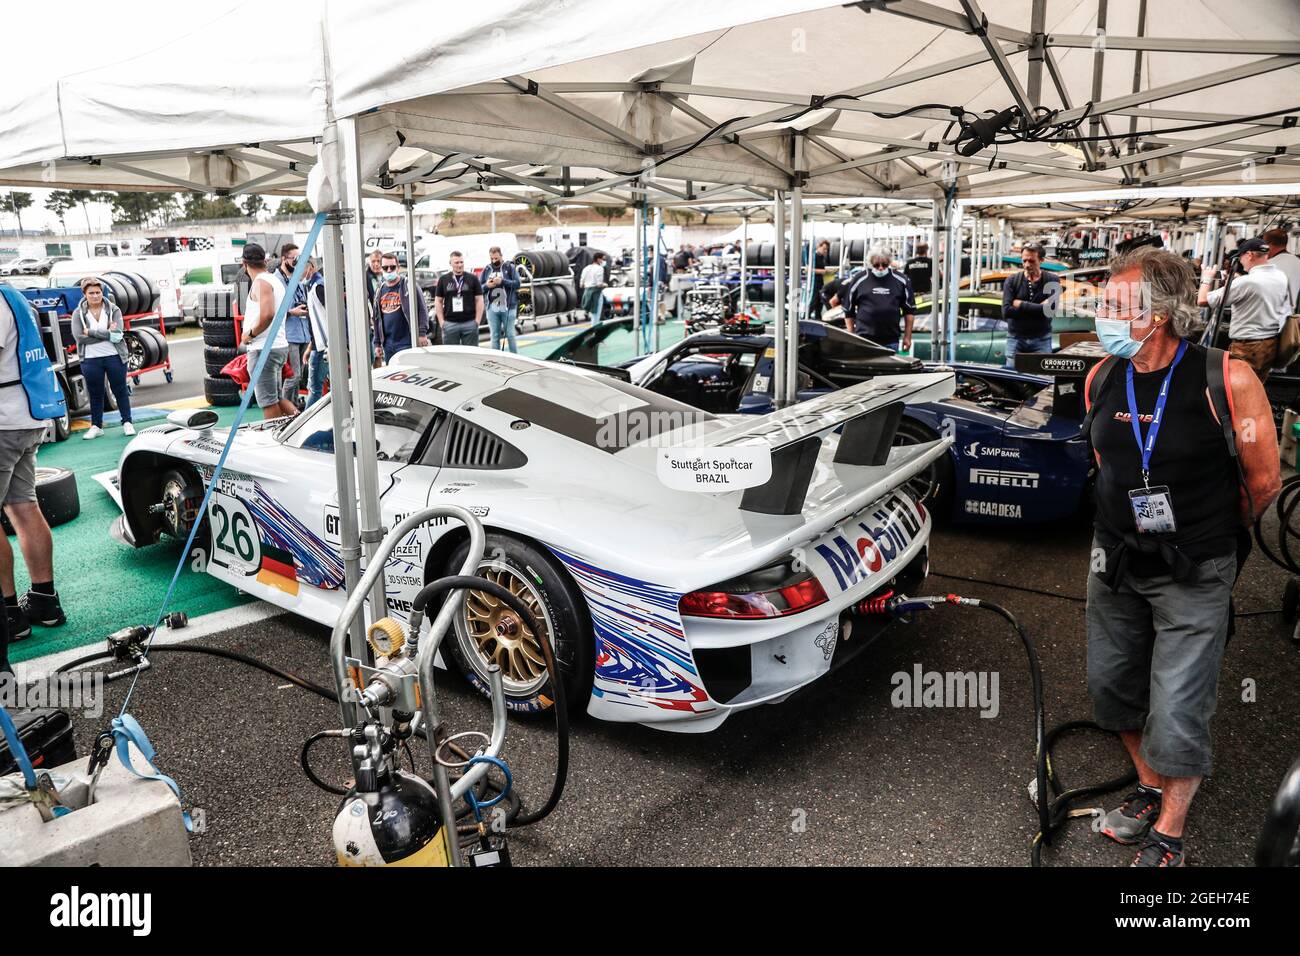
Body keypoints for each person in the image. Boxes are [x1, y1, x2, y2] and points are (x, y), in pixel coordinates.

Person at [1082, 246, 1281, 867]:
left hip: (1195, 566)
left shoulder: (1228, 378)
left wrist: (1212, 538)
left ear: (1160, 314)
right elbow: (1105, 462)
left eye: (1118, 305)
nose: (1102, 313)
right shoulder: (1101, 377)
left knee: (1179, 702)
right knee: (1113, 686)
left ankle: (1170, 830)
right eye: (1104, 301)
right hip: (1115, 559)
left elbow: (1264, 483)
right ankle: (1149, 782)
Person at [0, 288, 66, 669]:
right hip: (27, 414)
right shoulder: (12, 294)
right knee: (23, 506)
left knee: (19, 508)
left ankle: (8, 613)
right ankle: (44, 601)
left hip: (4, 420)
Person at [1197, 237, 1291, 382]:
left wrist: (1206, 278)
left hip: (1248, 347)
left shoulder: (1246, 282)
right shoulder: (1280, 276)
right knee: (1256, 388)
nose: (1240, 261)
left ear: (1249, 255)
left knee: (1236, 391)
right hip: (1270, 343)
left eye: (1241, 257)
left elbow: (1202, 300)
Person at [239, 243, 298, 420]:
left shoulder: (261, 282)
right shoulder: (274, 280)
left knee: (268, 402)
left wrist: (249, 334)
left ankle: (274, 442)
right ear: (265, 260)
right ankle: (302, 428)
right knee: (276, 398)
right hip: (276, 346)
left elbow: (268, 314)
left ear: (244, 263)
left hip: (263, 349)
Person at [71, 277, 133, 440]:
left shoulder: (114, 310)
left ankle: (127, 422)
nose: (95, 296)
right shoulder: (78, 313)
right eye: (91, 293)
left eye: (98, 292)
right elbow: (79, 337)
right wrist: (107, 334)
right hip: (91, 359)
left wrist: (91, 332)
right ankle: (96, 426)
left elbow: (118, 334)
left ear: (102, 292)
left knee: (120, 390)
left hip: (114, 356)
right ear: (85, 294)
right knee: (95, 394)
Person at [841, 247, 914, 352]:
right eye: (876, 265)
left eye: (884, 265)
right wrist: (852, 336)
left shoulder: (901, 280)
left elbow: (909, 311)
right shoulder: (859, 279)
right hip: (864, 339)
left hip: (891, 340)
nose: (880, 268)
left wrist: (907, 337)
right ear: (870, 263)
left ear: (889, 262)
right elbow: (848, 310)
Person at [1001, 241, 1060, 366]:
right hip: (1016, 338)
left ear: (1041, 260)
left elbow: (1051, 310)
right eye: (1024, 261)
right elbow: (1006, 311)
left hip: (1041, 339)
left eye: (1031, 261)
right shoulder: (1012, 281)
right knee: (1012, 379)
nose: (1027, 264)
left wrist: (1020, 304)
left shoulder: (1052, 280)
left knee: (1043, 379)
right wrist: (1040, 307)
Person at [372, 251, 430, 364]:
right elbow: (376, 318)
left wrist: (422, 333)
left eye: (392, 267)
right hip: (388, 344)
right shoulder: (380, 289)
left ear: (398, 268)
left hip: (407, 342)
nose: (389, 270)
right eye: (385, 267)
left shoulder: (409, 285)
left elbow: (423, 309)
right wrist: (377, 343)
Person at [278, 245, 311, 407]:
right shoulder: (276, 281)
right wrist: (292, 312)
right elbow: (272, 312)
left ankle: (294, 404)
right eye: (295, 259)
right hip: (290, 335)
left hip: (303, 332)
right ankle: (285, 408)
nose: (298, 262)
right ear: (284, 259)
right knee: (293, 376)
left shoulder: (296, 279)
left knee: (300, 376)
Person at [433, 251, 483, 347]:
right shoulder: (443, 279)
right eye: (456, 262)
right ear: (450, 263)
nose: (460, 265)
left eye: (461, 262)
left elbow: (479, 300)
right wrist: (442, 322)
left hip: (470, 323)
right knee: (451, 356)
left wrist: (477, 321)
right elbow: (438, 301)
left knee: (471, 355)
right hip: (450, 324)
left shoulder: (473, 279)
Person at [481, 246, 520, 352]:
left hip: (508, 307)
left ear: (501, 256)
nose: (494, 261)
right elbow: (480, 288)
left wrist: (502, 282)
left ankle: (515, 358)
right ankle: (496, 359)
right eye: (492, 258)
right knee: (494, 336)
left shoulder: (509, 267)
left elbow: (517, 284)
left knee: (510, 335)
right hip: (492, 307)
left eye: (496, 259)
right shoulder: (487, 269)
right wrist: (487, 286)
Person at [305, 273, 331, 408]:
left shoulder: (317, 287)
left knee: (315, 389)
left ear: (310, 267)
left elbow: (334, 312)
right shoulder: (313, 286)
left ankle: (305, 425)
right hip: (322, 345)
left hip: (324, 346)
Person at [1261, 227, 1300, 310]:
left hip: (1273, 315)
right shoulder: (1298, 261)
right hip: (1295, 317)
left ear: (1269, 245)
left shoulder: (1268, 265)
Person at [580, 252, 607, 324]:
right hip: (596, 293)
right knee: (596, 315)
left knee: (593, 315)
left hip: (587, 293)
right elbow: (599, 284)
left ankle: (593, 329)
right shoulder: (600, 269)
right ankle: (594, 331)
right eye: (602, 259)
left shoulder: (586, 268)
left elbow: (581, 285)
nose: (603, 261)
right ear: (598, 259)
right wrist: (605, 285)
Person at [810, 240, 831, 321]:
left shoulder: (823, 257)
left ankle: (818, 318)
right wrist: (822, 271)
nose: (825, 251)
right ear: (818, 247)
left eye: (826, 250)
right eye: (824, 249)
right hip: (814, 281)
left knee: (820, 301)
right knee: (814, 300)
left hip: (821, 281)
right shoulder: (813, 257)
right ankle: (805, 316)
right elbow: (807, 270)